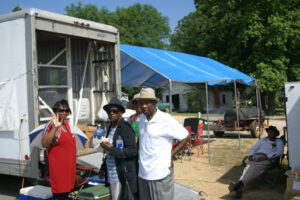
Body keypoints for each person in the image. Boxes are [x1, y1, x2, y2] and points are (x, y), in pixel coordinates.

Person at [136, 87, 190, 200]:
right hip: (143, 173)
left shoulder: (165, 119)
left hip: (161, 173)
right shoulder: (141, 118)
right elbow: (142, 139)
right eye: (141, 103)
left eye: (147, 102)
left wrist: (171, 154)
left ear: (154, 102)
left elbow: (186, 136)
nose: (144, 106)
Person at [99, 97, 138, 200]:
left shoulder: (126, 128)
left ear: (120, 112)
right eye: (109, 111)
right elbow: (108, 153)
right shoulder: (110, 127)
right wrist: (103, 168)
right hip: (111, 173)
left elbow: (132, 151)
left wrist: (111, 149)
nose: (111, 113)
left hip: (121, 175)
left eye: (114, 111)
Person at [229, 125, 284, 198]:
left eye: (272, 132)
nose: (270, 134)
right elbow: (254, 148)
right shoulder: (263, 140)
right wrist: (250, 155)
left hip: (267, 159)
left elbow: (280, 152)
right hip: (256, 156)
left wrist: (266, 157)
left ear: (275, 134)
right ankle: (239, 185)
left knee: (251, 166)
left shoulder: (278, 141)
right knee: (250, 166)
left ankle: (239, 184)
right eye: (269, 132)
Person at [41, 99, 76, 200]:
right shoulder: (51, 125)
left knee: (66, 195)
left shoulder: (67, 125)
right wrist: (55, 127)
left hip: (68, 171)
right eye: (61, 110)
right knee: (59, 196)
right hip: (58, 173)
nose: (64, 113)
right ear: (55, 111)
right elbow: (44, 143)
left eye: (66, 110)